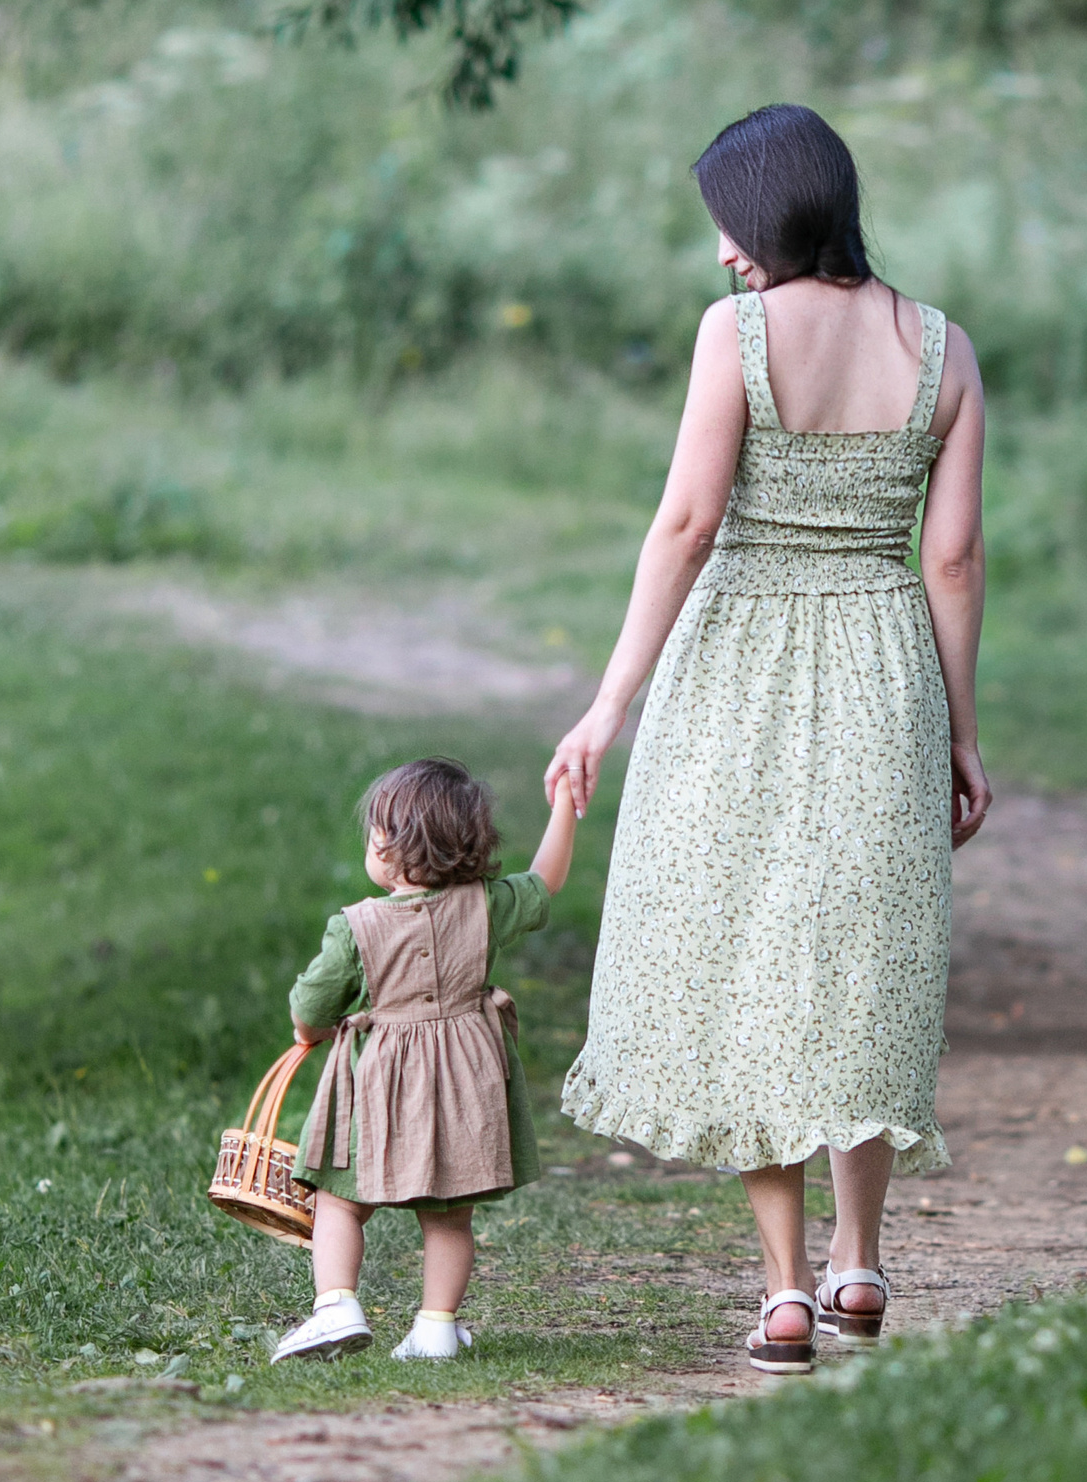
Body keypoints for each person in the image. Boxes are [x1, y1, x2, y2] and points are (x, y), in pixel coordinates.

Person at [550, 102, 989, 1374]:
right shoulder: (945, 348)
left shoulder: (734, 335)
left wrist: (609, 701)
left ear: (774, 213)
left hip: (734, 663)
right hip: (880, 665)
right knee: (862, 956)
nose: (726, 256)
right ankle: (861, 1260)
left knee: (745, 958)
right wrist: (962, 731)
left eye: (731, 230)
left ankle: (788, 1290)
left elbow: (686, 524)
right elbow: (951, 558)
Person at [269, 755, 576, 1366]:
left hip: (381, 1087)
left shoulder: (357, 927)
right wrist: (566, 799)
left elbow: (310, 1007)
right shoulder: (487, 906)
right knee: (447, 1216)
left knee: (339, 1199)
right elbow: (547, 880)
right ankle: (435, 1327)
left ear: (387, 847)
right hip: (466, 1082)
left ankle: (336, 1305)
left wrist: (316, 1028)